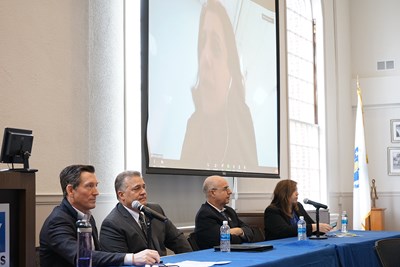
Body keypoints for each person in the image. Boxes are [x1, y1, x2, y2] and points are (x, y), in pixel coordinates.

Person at [180, 0, 258, 170]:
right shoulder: (193, 125)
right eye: (202, 45)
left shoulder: (242, 117)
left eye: (215, 48)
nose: (205, 58)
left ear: (230, 69)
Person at [39, 165, 161, 267]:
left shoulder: (87, 217)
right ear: (71, 190)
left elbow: (97, 256)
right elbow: (82, 256)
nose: (96, 192)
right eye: (89, 186)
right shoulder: (57, 222)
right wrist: (132, 258)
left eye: (96, 185)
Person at [100, 171, 192, 256]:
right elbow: (118, 261)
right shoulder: (112, 224)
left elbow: (177, 240)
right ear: (121, 195)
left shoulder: (155, 209)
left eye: (144, 187)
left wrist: (192, 260)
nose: (143, 192)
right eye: (137, 189)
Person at [194, 175, 255, 249]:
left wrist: (238, 230)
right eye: (225, 189)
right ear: (213, 193)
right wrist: (241, 236)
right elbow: (224, 241)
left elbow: (250, 232)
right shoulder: (205, 215)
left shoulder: (229, 211)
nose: (230, 192)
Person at [264, 179, 332, 240]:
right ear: (284, 193)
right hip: (279, 247)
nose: (297, 193)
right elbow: (283, 231)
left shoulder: (298, 206)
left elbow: (310, 224)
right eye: (294, 191)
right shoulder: (272, 210)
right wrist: (313, 227)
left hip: (298, 243)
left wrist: (322, 229)